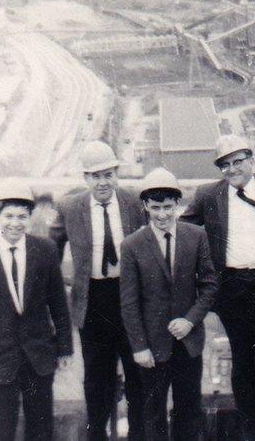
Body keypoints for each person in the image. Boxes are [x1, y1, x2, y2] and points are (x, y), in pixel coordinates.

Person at [180, 134, 255, 440]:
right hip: (232, 287)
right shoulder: (208, 195)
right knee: (243, 354)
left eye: (238, 161)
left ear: (251, 160)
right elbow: (184, 229)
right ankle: (253, 423)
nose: (233, 169)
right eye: (225, 165)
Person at [50, 140, 148, 440]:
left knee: (138, 372)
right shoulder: (69, 206)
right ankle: (97, 434)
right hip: (92, 301)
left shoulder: (133, 202)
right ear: (85, 178)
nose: (103, 182)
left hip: (130, 298)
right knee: (96, 377)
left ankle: (138, 434)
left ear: (117, 173)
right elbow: (51, 250)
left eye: (108, 174)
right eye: (95, 176)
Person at [0, 180, 72, 441]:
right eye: (8, 216)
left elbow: (58, 303)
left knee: (41, 429)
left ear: (30, 218)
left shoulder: (44, 250)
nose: (15, 223)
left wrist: (65, 347)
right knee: (1, 431)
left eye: (22, 216)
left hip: (38, 357)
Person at [120, 168, 220, 441]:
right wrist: (139, 346)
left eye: (167, 207)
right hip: (152, 347)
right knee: (152, 411)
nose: (162, 215)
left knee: (189, 409)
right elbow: (129, 302)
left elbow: (209, 285)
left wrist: (190, 320)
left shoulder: (196, 236)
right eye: (155, 208)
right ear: (145, 206)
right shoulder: (132, 245)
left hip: (188, 343)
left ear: (178, 204)